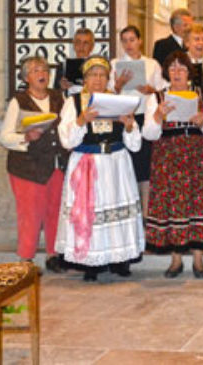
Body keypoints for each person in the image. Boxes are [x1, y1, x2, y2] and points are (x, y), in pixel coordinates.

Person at [55, 57, 145, 281]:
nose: (97, 79)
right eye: (92, 75)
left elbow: (135, 144)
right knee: (91, 212)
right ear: (84, 79)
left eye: (102, 75)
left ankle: (119, 259)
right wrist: (80, 121)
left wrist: (130, 125)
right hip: (87, 161)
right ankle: (91, 263)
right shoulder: (73, 102)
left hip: (116, 163)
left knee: (115, 211)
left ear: (108, 78)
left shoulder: (119, 101)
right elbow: (66, 140)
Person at [143, 51, 203, 279]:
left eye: (182, 68)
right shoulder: (156, 97)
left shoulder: (201, 94)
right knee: (172, 203)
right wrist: (158, 115)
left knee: (198, 202)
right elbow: (148, 133)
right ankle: (176, 259)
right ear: (167, 72)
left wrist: (202, 121)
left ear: (189, 72)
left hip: (196, 152)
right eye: (173, 68)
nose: (177, 73)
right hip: (168, 154)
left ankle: (198, 258)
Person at [0, 56, 69, 273]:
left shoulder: (59, 97)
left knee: (55, 211)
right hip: (26, 168)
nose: (43, 74)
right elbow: (4, 137)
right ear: (27, 77)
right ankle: (26, 259)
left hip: (55, 165)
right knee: (30, 214)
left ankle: (53, 254)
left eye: (45, 70)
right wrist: (25, 137)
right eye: (37, 70)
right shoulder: (18, 101)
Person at [111, 25, 165, 215]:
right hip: (124, 118)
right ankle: (129, 213)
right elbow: (108, 94)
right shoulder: (115, 64)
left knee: (145, 168)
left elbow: (161, 90)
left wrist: (151, 90)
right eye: (124, 40)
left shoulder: (152, 64)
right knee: (127, 166)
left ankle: (147, 215)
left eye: (132, 39)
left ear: (140, 40)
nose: (128, 44)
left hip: (145, 116)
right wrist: (118, 86)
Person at [53, 28, 95, 94]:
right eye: (78, 42)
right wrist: (61, 88)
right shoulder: (63, 66)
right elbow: (55, 93)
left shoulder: (97, 67)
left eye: (85, 43)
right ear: (74, 45)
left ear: (92, 46)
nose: (81, 46)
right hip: (68, 102)